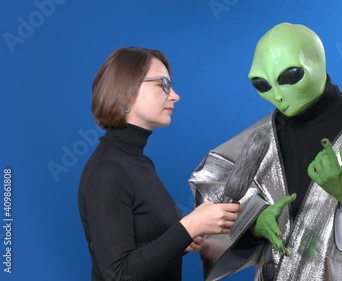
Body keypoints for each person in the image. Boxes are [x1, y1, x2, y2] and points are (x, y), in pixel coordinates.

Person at [189, 23, 342, 281]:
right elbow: (211, 190)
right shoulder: (253, 143)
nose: (278, 96)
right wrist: (253, 223)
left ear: (317, 64)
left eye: (289, 77)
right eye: (263, 85)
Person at [78, 47, 241, 281]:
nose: (175, 95)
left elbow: (144, 249)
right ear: (127, 91)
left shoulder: (138, 162)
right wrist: (189, 227)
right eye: (163, 84)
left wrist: (183, 241)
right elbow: (119, 274)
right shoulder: (109, 171)